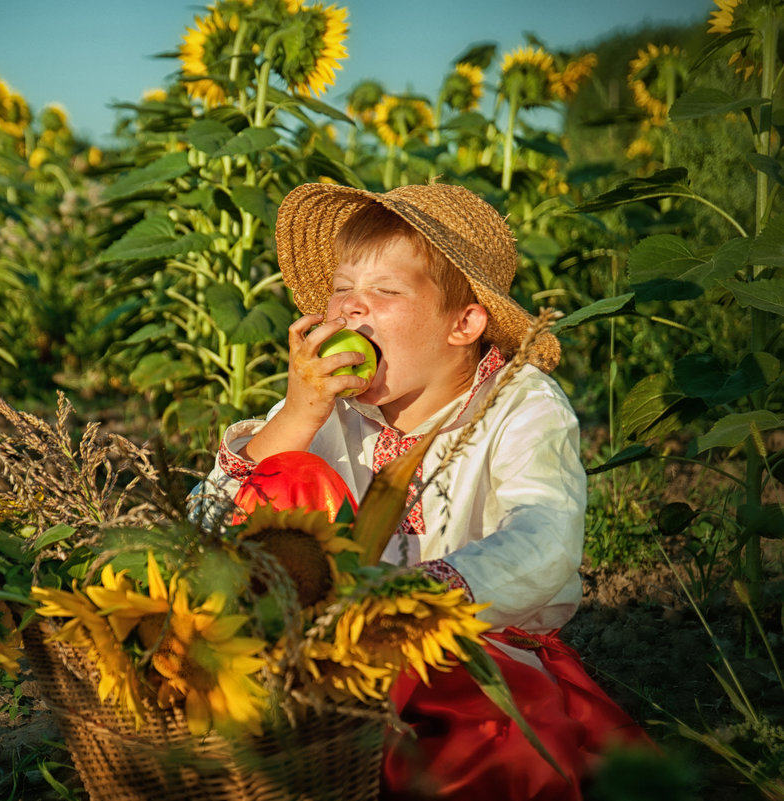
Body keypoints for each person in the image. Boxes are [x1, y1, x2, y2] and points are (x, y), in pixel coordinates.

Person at [193, 182, 650, 800]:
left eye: (384, 293)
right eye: (341, 291)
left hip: (464, 652)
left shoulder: (520, 405)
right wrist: (297, 417)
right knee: (289, 473)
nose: (353, 312)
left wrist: (420, 593)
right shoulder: (326, 401)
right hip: (315, 652)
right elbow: (202, 521)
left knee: (487, 747)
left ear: (464, 323)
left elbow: (546, 537)